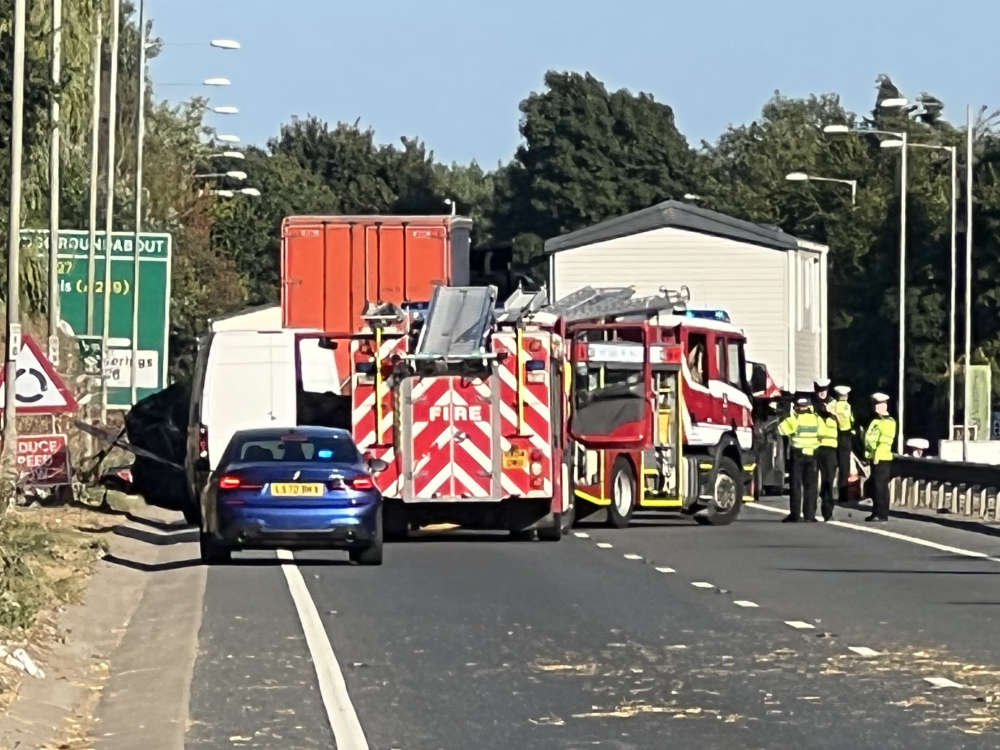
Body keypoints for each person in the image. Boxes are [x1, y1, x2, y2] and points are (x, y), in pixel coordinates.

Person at [778, 396, 820, 523]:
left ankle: (795, 515)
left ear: (796, 407)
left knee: (796, 485)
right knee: (811, 486)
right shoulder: (816, 419)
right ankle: (810, 515)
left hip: (798, 454)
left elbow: (781, 430)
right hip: (812, 454)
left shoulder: (794, 419)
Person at [864, 392, 897, 522]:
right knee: (875, 486)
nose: (876, 407)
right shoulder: (875, 421)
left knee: (880, 486)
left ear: (885, 406)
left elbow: (884, 442)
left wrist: (877, 456)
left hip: (882, 457)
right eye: (875, 404)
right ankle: (876, 511)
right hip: (873, 457)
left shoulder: (888, 422)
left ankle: (882, 513)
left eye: (879, 405)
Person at [832, 385, 855, 504]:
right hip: (845, 437)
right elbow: (851, 421)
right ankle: (843, 494)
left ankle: (828, 492)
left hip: (834, 435)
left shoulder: (833, 405)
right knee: (844, 467)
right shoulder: (848, 406)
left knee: (832, 465)